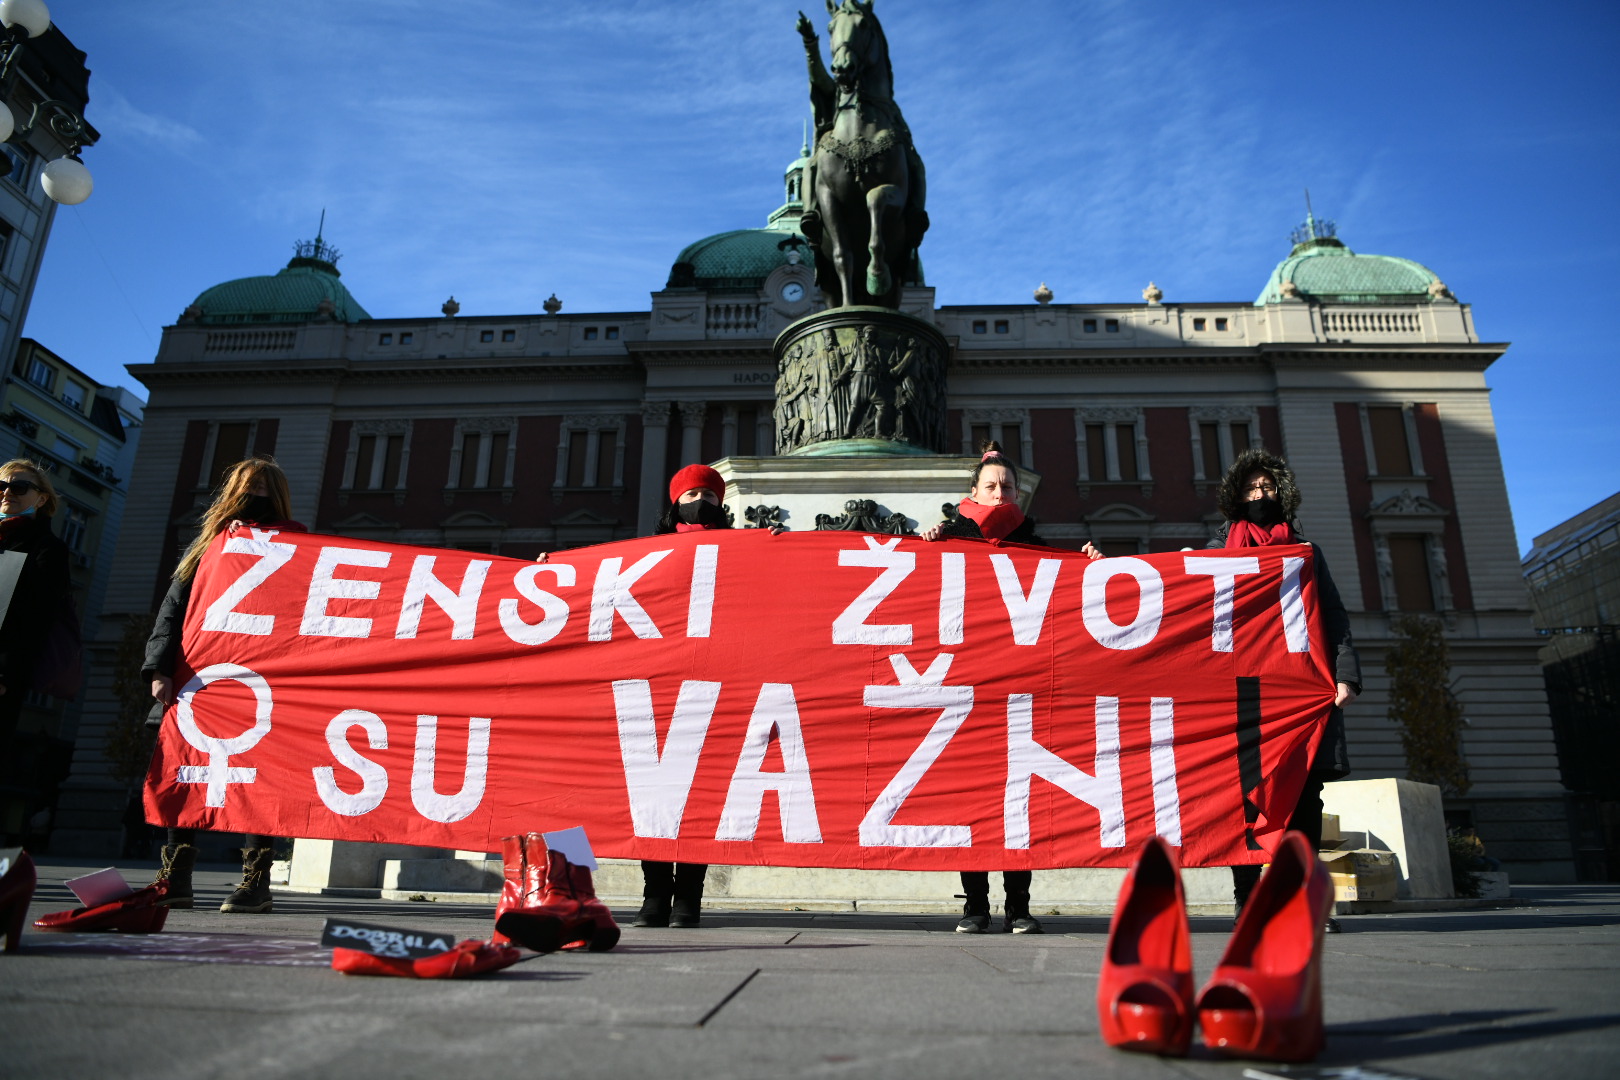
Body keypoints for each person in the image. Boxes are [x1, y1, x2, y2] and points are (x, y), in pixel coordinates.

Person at [921, 441, 1096, 933]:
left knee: (1019, 804)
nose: (999, 494)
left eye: (1008, 488)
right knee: (972, 802)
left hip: (1019, 696)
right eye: (991, 487)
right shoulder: (946, 545)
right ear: (973, 492)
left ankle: (1018, 907)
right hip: (963, 693)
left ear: (1020, 496)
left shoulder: (1037, 550)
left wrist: (1091, 564)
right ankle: (976, 906)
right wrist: (927, 548)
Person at [143, 458, 306, 913]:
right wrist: (158, 667)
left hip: (264, 682)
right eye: (246, 489)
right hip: (200, 677)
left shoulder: (298, 545)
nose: (253, 498)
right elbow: (172, 609)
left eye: (263, 491)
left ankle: (256, 881)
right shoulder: (207, 546)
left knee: (263, 781)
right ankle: (175, 877)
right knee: (185, 771)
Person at [1209, 448, 1359, 931]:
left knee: (1304, 797)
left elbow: (1333, 615)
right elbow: (1169, 596)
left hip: (1298, 690)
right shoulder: (1214, 552)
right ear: (1237, 495)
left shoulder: (1306, 551)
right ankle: (1247, 900)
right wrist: (1105, 568)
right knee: (1243, 800)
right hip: (1240, 692)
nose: (1260, 495)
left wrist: (1346, 673)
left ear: (1283, 493)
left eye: (1268, 487)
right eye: (1252, 488)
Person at [0, 460, 75, 844]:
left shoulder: (48, 548)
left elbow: (34, 621)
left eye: (19, 487)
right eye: (1, 486)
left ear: (41, 497)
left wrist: (5, 673)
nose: (6, 493)